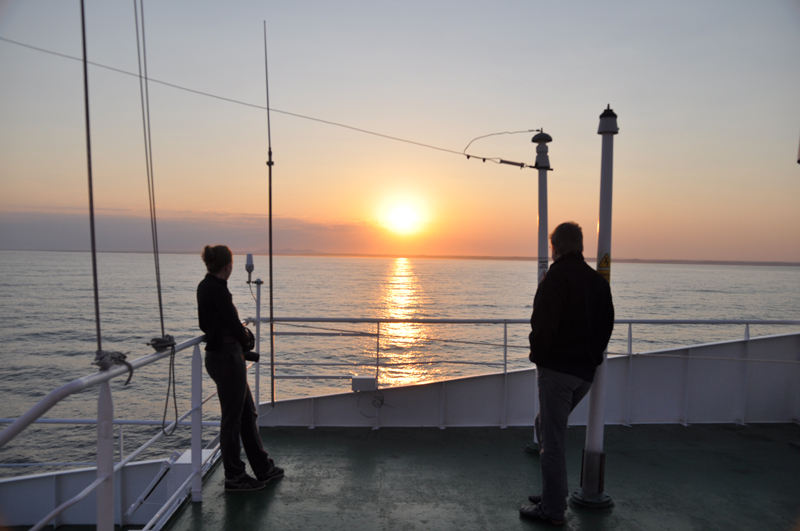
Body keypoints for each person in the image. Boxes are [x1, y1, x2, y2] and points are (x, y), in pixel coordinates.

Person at [519, 222, 614, 525]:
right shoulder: (597, 281)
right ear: (581, 246)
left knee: (553, 442)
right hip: (584, 375)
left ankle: (553, 510)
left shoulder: (556, 277)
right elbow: (607, 324)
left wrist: (539, 357)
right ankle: (552, 493)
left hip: (557, 372)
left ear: (555, 247)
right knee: (544, 424)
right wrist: (593, 356)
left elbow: (543, 324)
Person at [197, 245, 283, 492]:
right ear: (228, 266)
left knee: (246, 414)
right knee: (233, 420)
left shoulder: (204, 287)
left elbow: (206, 324)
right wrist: (246, 338)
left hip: (222, 357)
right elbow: (234, 325)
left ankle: (262, 467)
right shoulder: (219, 290)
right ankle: (234, 476)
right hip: (227, 359)